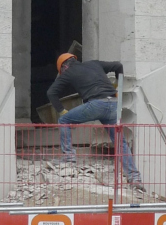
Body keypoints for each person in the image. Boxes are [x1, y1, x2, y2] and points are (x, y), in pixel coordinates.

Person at [46, 53, 143, 186]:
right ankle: (134, 177)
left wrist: (62, 110)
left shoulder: (68, 72)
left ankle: (68, 157)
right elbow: (118, 65)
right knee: (121, 142)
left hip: (96, 105)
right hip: (114, 104)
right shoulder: (94, 63)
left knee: (64, 120)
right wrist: (117, 87)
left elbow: (51, 93)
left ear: (64, 67)